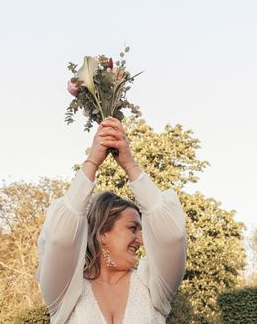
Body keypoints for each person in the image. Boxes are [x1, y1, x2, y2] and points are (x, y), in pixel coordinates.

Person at [37, 117, 187, 324]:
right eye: (132, 228)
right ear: (102, 233)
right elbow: (60, 238)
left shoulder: (153, 286)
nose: (141, 240)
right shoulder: (65, 290)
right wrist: (92, 161)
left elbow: (173, 235)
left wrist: (130, 164)